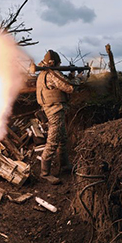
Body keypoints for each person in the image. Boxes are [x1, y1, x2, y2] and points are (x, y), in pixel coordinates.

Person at [36, 50, 80, 184]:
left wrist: (70, 75)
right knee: (53, 141)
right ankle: (45, 173)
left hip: (51, 109)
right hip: (55, 111)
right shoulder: (52, 73)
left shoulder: (43, 73)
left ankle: (65, 165)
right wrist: (78, 78)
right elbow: (70, 87)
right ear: (55, 62)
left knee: (62, 138)